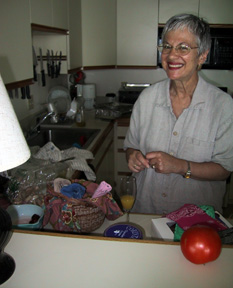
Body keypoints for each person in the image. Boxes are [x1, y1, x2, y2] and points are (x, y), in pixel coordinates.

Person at [124, 14, 233, 215]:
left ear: (202, 56)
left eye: (183, 47)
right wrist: (132, 156)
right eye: (166, 46)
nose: (172, 56)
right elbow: (131, 147)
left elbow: (225, 169)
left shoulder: (223, 106)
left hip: (197, 218)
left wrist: (179, 166)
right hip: (147, 210)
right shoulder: (147, 98)